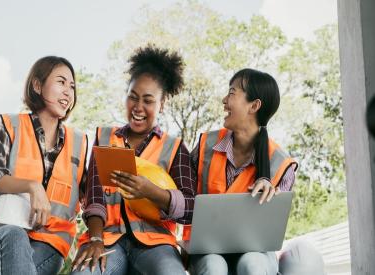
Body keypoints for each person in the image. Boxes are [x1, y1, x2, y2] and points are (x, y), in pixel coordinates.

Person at [71, 45, 196, 275]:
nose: (138, 107)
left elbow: (191, 208)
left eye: (148, 100)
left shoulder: (175, 148)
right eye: (133, 97)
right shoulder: (105, 138)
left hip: (156, 244)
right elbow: (94, 197)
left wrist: (152, 192)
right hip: (107, 239)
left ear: (162, 104)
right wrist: (96, 238)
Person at [0, 56, 88, 275]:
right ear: (37, 85)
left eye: (72, 86)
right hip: (0, 234)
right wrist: (32, 186)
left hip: (50, 244)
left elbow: (90, 199)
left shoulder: (79, 142)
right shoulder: (11, 125)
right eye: (61, 82)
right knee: (14, 237)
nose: (68, 92)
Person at [187, 68, 298, 275]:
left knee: (253, 263)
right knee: (213, 266)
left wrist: (271, 195)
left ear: (254, 106)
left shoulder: (281, 164)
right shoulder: (206, 145)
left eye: (231, 93)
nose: (224, 100)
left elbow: (270, 230)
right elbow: (183, 194)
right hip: (208, 250)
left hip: (257, 252)